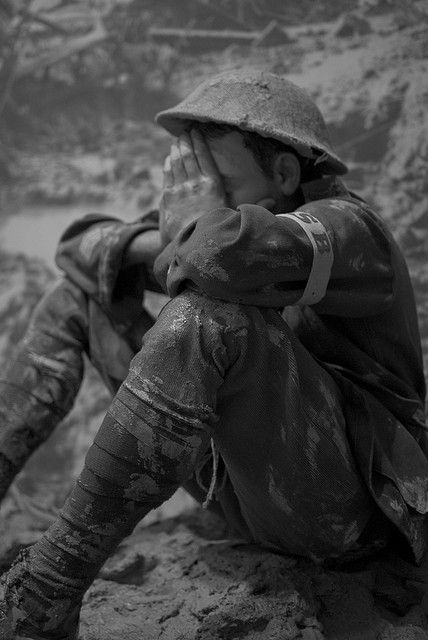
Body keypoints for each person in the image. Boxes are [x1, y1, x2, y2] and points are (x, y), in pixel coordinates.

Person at [0, 69, 427, 640]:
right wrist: (173, 238)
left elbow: (222, 256)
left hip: (346, 517)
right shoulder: (219, 223)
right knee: (83, 296)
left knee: (208, 315)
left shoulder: (350, 230)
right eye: (191, 181)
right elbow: (78, 246)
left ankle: (48, 586)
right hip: (241, 496)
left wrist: (187, 233)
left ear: (283, 172)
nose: (204, 198)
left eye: (218, 181)